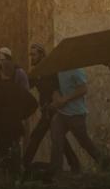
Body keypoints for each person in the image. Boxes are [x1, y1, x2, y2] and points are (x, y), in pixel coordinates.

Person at [23, 44, 81, 173]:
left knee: (37, 135)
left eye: (34, 54)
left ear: (42, 55)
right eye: (30, 54)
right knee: (58, 137)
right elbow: (27, 85)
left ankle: (24, 163)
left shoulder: (50, 72)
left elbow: (57, 89)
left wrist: (54, 105)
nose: (31, 57)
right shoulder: (37, 72)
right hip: (47, 110)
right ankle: (75, 164)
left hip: (52, 109)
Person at [45, 66, 105, 182]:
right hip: (61, 114)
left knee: (84, 142)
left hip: (76, 114)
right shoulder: (58, 70)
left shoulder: (76, 70)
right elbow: (55, 88)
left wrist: (66, 99)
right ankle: (55, 173)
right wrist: (56, 100)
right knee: (56, 141)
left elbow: (83, 89)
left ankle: (104, 162)